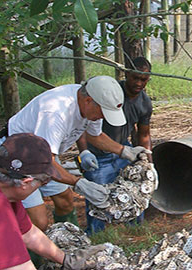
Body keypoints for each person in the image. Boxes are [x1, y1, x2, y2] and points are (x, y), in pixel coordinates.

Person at [1, 75, 150, 232]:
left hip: (44, 155)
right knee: (39, 220)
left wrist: (124, 151)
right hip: (17, 157)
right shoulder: (56, 112)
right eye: (103, 112)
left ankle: (68, 241)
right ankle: (30, 254)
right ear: (88, 101)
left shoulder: (91, 104)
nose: (103, 117)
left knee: (65, 201)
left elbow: (95, 136)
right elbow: (45, 162)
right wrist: (79, 183)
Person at [0, 133, 105, 270]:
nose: (44, 185)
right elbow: (17, 267)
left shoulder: (8, 192)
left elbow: (29, 234)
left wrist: (67, 260)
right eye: (44, 181)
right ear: (26, 182)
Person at [81, 56, 154, 235]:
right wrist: (84, 152)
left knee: (137, 190)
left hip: (124, 150)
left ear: (148, 79)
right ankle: (95, 235)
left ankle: (135, 231)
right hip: (98, 153)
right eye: (135, 77)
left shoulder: (144, 103)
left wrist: (149, 163)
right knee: (97, 197)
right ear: (126, 74)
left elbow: (144, 134)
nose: (138, 83)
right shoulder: (111, 92)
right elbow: (82, 126)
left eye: (143, 79)